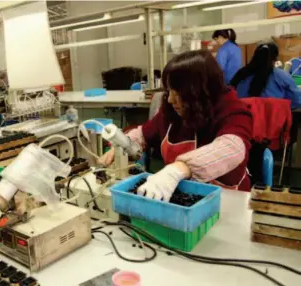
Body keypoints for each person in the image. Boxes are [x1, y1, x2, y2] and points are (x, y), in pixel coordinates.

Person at [100, 50, 253, 200]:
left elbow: (232, 146)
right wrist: (123, 143)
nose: (170, 100)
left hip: (227, 201)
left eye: (177, 93)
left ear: (198, 91)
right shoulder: (172, 112)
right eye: (169, 91)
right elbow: (144, 133)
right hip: (183, 200)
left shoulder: (233, 110)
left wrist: (179, 169)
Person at [231, 42, 301, 109]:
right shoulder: (281, 75)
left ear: (254, 56)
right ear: (276, 59)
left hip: (245, 118)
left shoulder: (241, 75)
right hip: (275, 119)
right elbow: (297, 100)